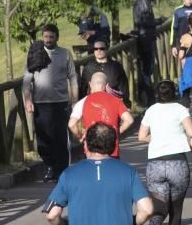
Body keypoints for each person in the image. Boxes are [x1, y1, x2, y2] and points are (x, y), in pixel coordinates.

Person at [138, 81, 192, 225]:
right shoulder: (180, 109)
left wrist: (158, 138)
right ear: (174, 93)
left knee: (159, 207)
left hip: (155, 164)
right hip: (177, 163)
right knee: (176, 209)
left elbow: (141, 137)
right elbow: (190, 130)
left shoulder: (151, 110)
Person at [23, 24, 78, 182]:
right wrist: (27, 99)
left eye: (51, 37)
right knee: (43, 138)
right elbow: (27, 80)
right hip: (41, 103)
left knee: (60, 138)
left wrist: (74, 100)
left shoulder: (65, 54)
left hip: (60, 102)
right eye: (45, 37)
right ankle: (49, 167)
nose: (47, 40)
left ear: (57, 38)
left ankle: (62, 170)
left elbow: (73, 78)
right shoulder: (36, 53)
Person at [69, 72, 135, 158]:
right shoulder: (116, 100)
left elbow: (71, 124)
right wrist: (116, 133)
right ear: (107, 85)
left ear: (90, 84)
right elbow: (129, 120)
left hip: (91, 150)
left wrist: (81, 137)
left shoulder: (82, 102)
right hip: (112, 149)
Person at [81, 40, 130, 106]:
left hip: (113, 104)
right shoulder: (88, 68)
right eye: (96, 49)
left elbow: (124, 88)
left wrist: (126, 105)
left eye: (102, 48)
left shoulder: (116, 66)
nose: (99, 51)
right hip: (94, 104)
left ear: (106, 49)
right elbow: (83, 90)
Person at [133, 0, 158, 108]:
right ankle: (149, 97)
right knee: (146, 70)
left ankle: (148, 97)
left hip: (144, 38)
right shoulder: (143, 3)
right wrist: (158, 21)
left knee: (146, 71)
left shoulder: (140, 2)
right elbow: (146, 21)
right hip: (146, 40)